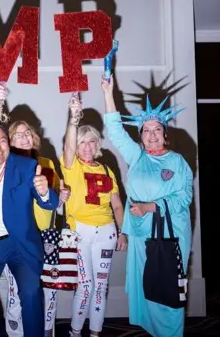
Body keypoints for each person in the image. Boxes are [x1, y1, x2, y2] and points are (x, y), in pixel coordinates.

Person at [102, 76, 192, 337]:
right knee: (148, 288)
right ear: (141, 136)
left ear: (165, 134)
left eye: (156, 130)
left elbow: (183, 198)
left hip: (170, 236)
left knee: (168, 290)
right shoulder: (137, 156)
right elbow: (116, 132)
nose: (152, 135)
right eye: (146, 131)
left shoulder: (177, 162)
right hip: (142, 235)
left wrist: (150, 206)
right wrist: (109, 93)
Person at [0, 121, 67, 337]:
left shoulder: (25, 166)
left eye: (3, 141)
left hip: (17, 244)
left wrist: (44, 191)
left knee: (30, 295)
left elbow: (49, 203)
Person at [0, 84, 66, 337]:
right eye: (17, 134)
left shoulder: (45, 163)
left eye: (26, 133)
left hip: (46, 236)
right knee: (17, 294)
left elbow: (54, 201)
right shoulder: (6, 163)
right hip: (20, 238)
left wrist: (61, 196)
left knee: (47, 293)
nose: (23, 137)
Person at [61, 92, 126, 337]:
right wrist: (73, 119)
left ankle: (96, 333)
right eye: (82, 142)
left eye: (92, 142)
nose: (87, 147)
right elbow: (67, 147)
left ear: (98, 144)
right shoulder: (71, 166)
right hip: (80, 230)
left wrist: (123, 233)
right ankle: (75, 332)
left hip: (107, 231)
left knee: (100, 286)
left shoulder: (107, 169)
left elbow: (117, 205)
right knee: (86, 285)